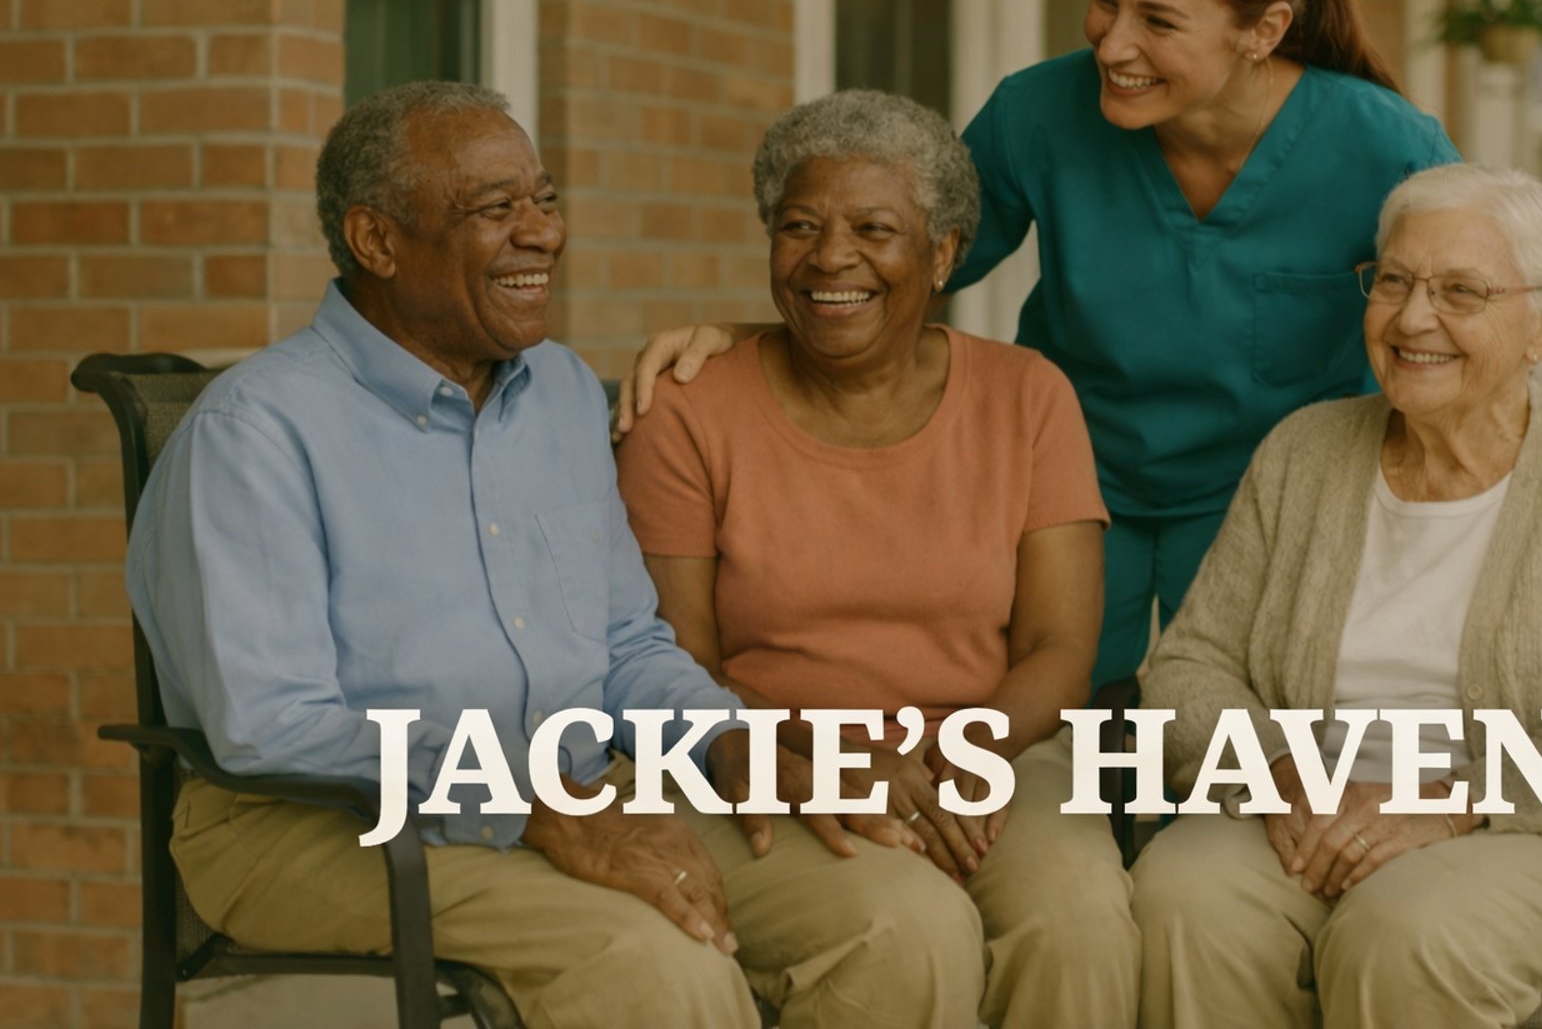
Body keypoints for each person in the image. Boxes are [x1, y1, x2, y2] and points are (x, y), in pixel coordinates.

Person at [612, 0, 1542, 692]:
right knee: (1064, 748)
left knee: (1227, 758)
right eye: (1104, 0)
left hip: (1271, 499)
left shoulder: (1379, 141)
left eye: (1158, 22)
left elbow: (1487, 282)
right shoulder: (1041, 113)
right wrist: (745, 334)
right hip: (1071, 486)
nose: (1111, 43)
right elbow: (894, 265)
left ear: (1263, 31)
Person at [126, 81, 981, 1029]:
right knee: (664, 965)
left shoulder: (561, 391)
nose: (543, 234)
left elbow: (625, 645)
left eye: (544, 200)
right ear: (377, 240)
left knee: (908, 918)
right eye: (497, 209)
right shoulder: (255, 433)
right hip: (326, 824)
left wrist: (730, 739)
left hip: (589, 785)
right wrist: (533, 806)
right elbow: (275, 726)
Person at [1129, 165, 1542, 1029]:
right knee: (1181, 895)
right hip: (1311, 813)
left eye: (1460, 292)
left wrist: (1450, 803)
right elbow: (1192, 664)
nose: (1413, 318)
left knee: (1403, 931)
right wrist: (1283, 772)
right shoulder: (1303, 451)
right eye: (1395, 282)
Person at [616, 89, 1139, 1029]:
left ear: (943, 253)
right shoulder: (688, 410)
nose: (830, 257)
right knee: (908, 926)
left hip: (991, 751)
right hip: (762, 761)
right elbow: (679, 664)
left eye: (873, 229)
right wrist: (843, 762)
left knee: (1080, 921)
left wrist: (950, 760)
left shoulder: (1027, 396)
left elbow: (1059, 649)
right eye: (799, 226)